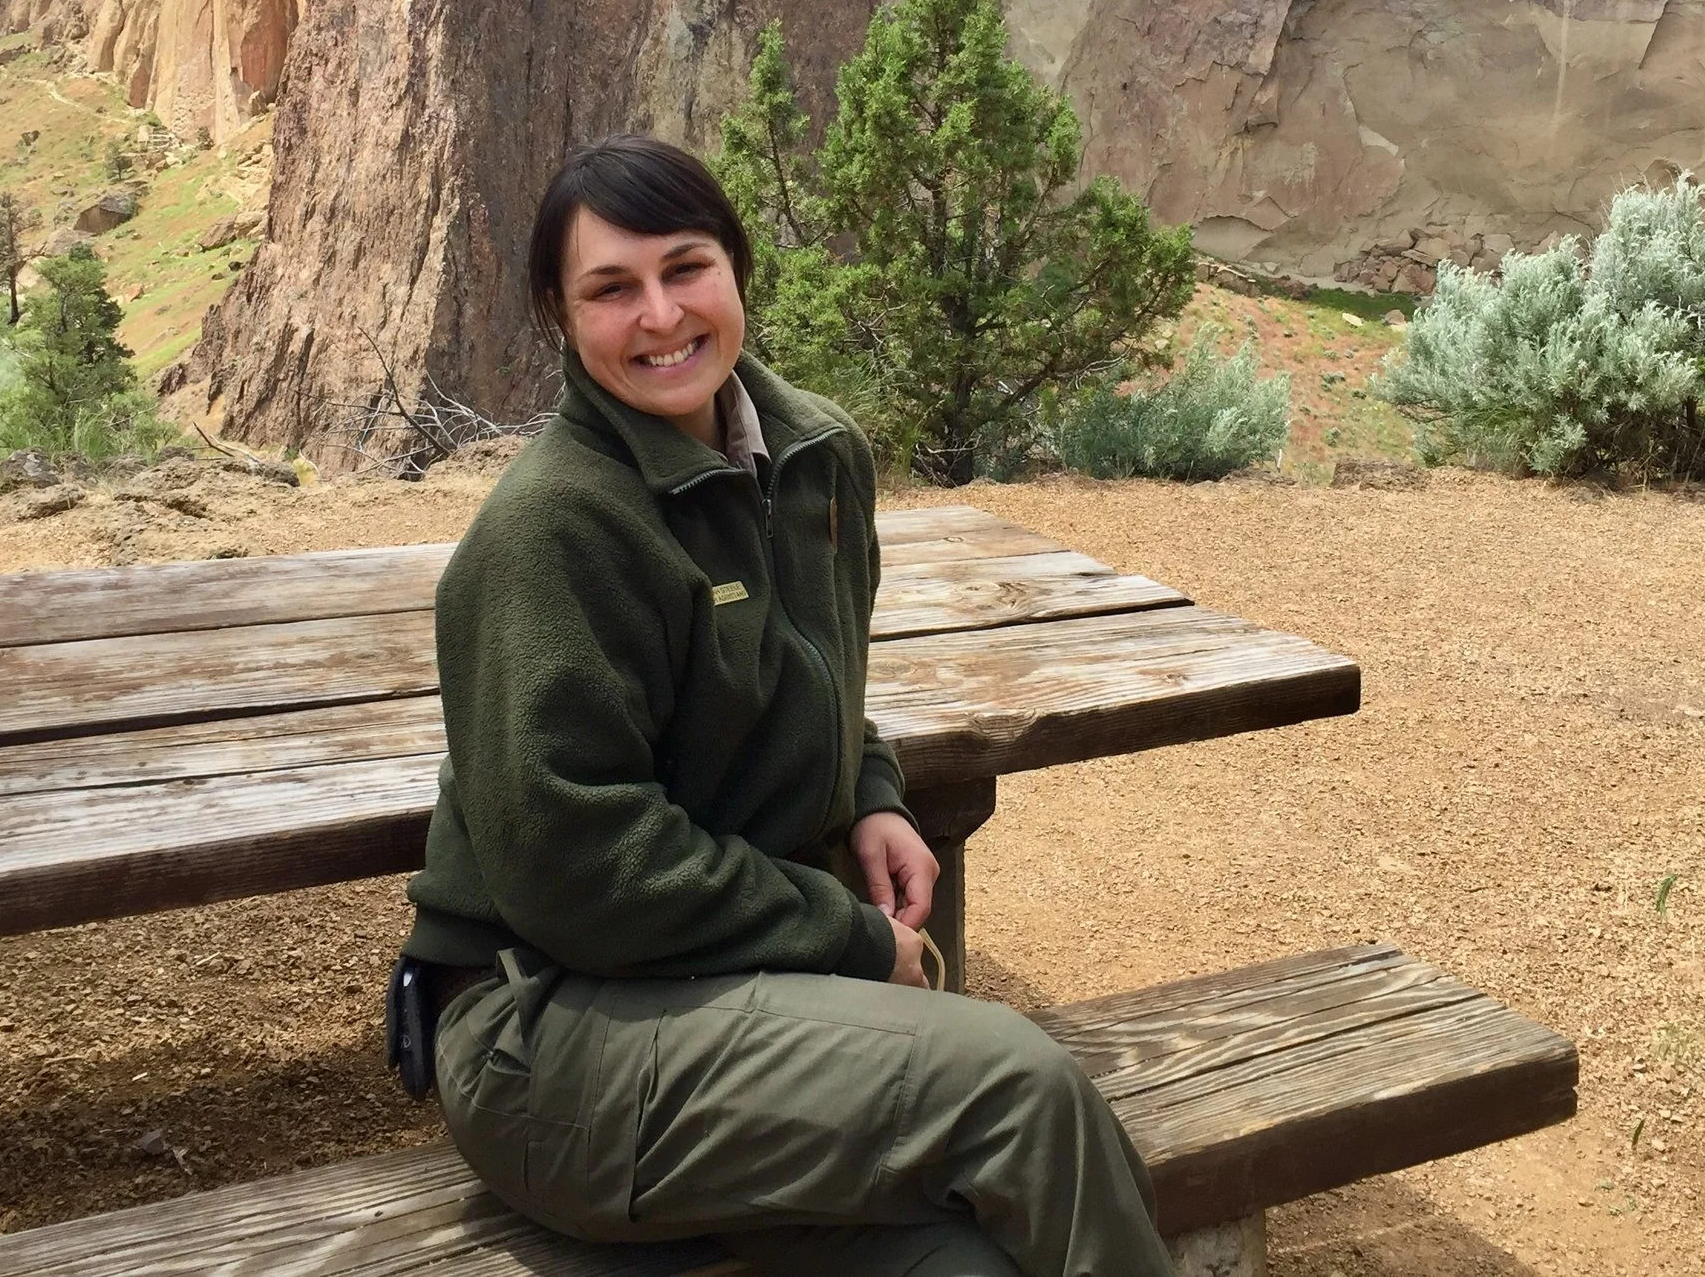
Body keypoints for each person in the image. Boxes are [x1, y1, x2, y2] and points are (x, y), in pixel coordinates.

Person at [393, 135, 1171, 1276]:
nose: (659, 315)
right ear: (559, 317)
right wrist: (849, 939)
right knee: (1020, 1089)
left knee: (974, 1259)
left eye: (686, 268)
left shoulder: (816, 455)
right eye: (611, 289)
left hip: (727, 996)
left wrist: (869, 793)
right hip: (549, 1043)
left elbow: (816, 678)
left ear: (737, 271)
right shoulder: (551, 533)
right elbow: (574, 865)